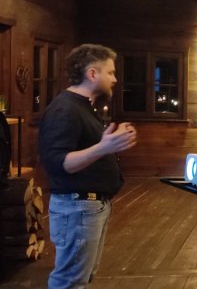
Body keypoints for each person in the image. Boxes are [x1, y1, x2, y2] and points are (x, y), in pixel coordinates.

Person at [39, 44, 138, 288]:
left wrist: (111, 143)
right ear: (92, 74)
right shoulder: (65, 109)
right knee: (70, 281)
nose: (115, 79)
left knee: (81, 278)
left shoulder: (83, 107)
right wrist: (105, 147)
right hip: (77, 207)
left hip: (88, 206)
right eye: (111, 73)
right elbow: (60, 164)